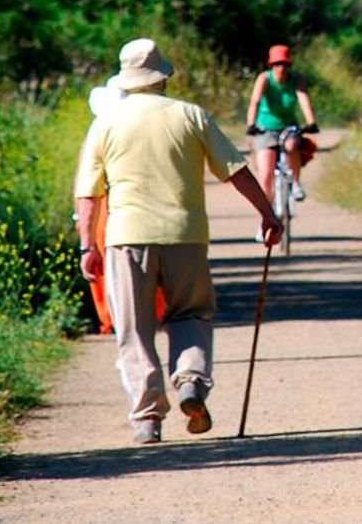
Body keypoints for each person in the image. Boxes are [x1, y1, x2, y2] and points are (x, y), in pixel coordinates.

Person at [74, 37, 283, 444]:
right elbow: (236, 170)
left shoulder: (105, 123)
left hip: (126, 239)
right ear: (163, 77)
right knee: (191, 314)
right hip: (185, 235)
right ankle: (190, 379)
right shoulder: (191, 115)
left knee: (135, 329)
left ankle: (148, 417)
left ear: (126, 79)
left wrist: (88, 247)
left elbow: (89, 194)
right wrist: (267, 213)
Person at [83, 75, 166, 335]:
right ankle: (141, 320)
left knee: (114, 272)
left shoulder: (99, 132)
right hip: (143, 206)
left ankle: (122, 324)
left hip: (111, 209)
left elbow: (86, 186)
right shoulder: (147, 130)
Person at [245, 44, 318, 203]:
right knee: (266, 175)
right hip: (265, 128)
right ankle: (267, 215)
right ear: (271, 65)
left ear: (289, 65)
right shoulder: (264, 79)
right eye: (277, 64)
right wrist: (251, 124)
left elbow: (304, 100)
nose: (281, 67)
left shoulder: (296, 79)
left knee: (291, 147)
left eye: (285, 64)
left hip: (288, 127)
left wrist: (311, 122)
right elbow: (255, 101)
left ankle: (296, 183)